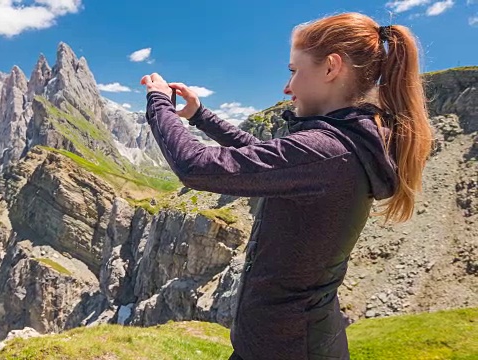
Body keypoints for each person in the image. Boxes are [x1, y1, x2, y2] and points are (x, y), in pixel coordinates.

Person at [140, 12, 433, 360]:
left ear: (330, 68)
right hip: (292, 341)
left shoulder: (326, 150)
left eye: (294, 71)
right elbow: (266, 156)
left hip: (286, 347)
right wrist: (201, 116)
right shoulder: (344, 143)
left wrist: (159, 103)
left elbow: (194, 167)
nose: (287, 86)